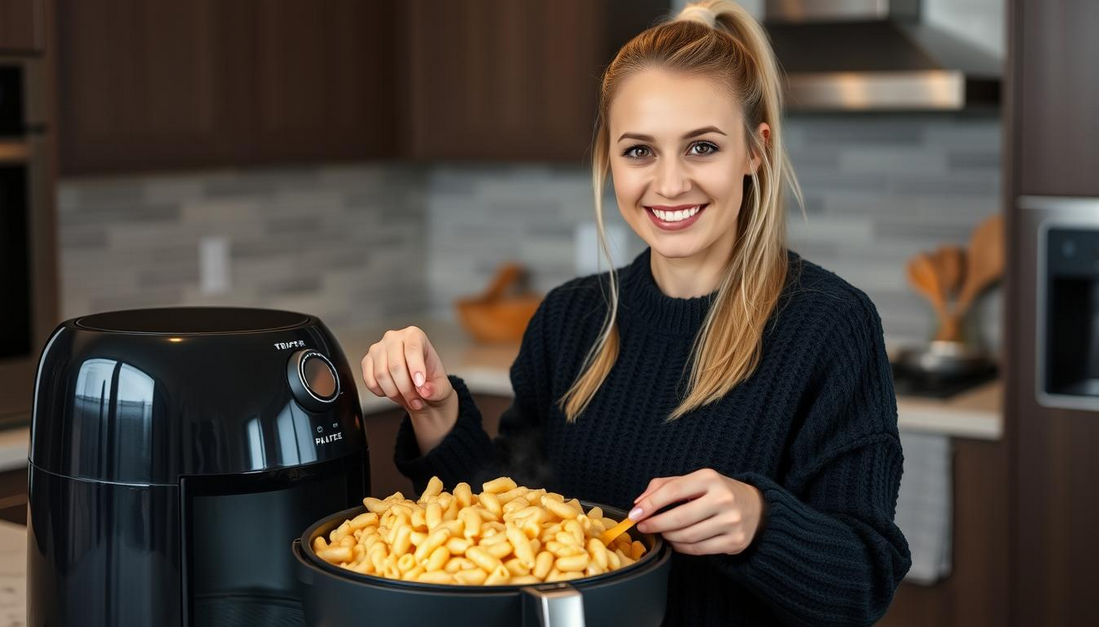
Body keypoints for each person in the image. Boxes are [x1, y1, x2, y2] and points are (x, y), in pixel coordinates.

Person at [361, 1, 911, 624]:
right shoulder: (571, 318)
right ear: (608, 160)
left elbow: (864, 582)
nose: (670, 183)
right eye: (640, 151)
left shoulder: (830, 326)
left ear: (755, 152)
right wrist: (435, 412)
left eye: (702, 147)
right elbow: (510, 511)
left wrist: (758, 521)